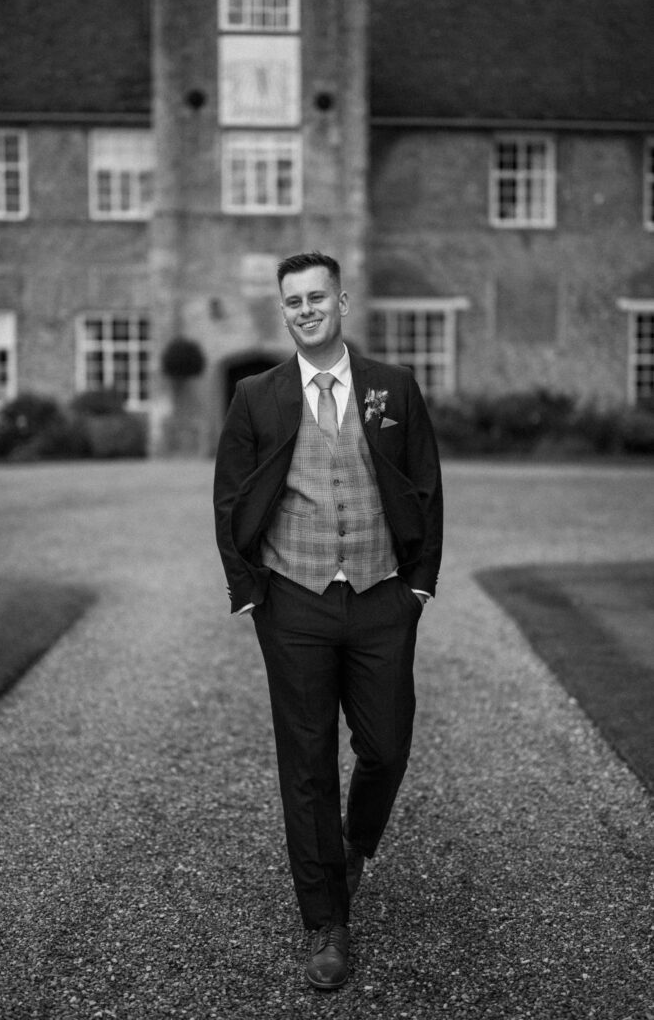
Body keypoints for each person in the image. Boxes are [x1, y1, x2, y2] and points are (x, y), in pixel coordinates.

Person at [213, 251, 443, 990]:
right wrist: (249, 590)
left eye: (317, 297)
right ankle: (326, 923)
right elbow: (229, 499)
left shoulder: (393, 388)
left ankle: (355, 841)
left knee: (385, 745)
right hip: (294, 600)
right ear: (284, 312)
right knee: (306, 764)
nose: (306, 309)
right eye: (293, 302)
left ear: (342, 301)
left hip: (381, 596)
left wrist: (418, 588)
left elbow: (426, 487)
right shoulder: (257, 395)